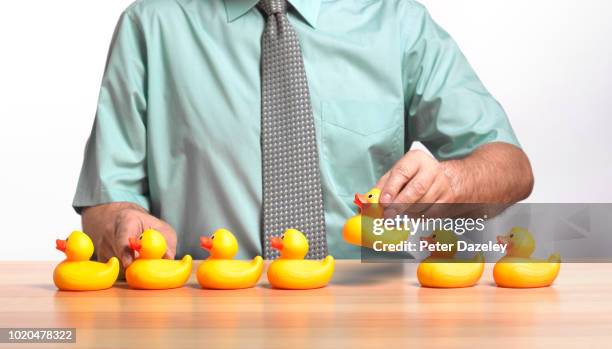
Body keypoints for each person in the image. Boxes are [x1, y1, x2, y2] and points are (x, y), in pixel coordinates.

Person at [74, 0, 533, 267]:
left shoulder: (397, 21)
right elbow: (104, 204)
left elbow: (510, 167)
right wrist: (120, 225)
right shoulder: (151, 24)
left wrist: (449, 184)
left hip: (369, 318)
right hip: (209, 314)